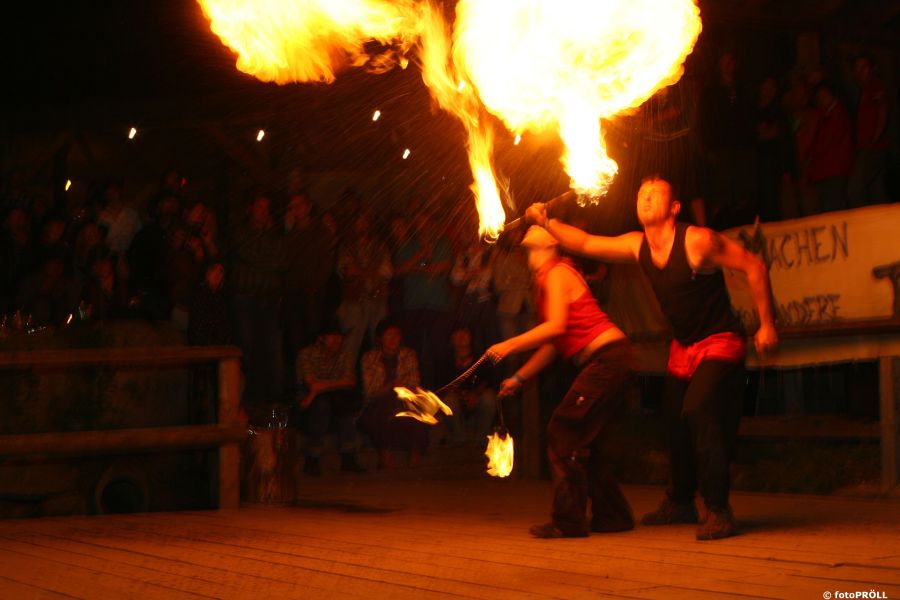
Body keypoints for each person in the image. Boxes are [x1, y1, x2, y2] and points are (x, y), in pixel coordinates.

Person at [525, 175, 778, 540]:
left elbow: (754, 265)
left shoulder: (698, 241)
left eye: (655, 194)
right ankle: (680, 501)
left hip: (720, 340)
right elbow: (585, 243)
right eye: (641, 194)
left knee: (698, 410)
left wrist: (766, 324)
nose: (645, 198)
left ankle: (718, 509)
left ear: (674, 208)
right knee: (673, 419)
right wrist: (546, 221)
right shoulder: (636, 244)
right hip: (684, 347)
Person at [487, 226, 637, 539]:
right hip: (612, 359)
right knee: (585, 439)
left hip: (608, 359)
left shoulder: (557, 273)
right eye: (525, 247)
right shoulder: (548, 279)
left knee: (563, 431)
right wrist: (519, 377)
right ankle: (613, 516)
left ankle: (568, 521)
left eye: (534, 242)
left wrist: (509, 344)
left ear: (552, 243)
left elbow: (555, 328)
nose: (528, 248)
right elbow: (555, 343)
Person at [295, 323, 366, 476]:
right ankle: (312, 457)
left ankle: (348, 456)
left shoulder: (344, 355)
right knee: (322, 405)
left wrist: (319, 388)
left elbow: (350, 382)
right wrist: (316, 390)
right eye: (332, 337)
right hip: (309, 401)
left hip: (333, 398)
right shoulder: (307, 354)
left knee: (345, 403)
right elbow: (311, 384)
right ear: (321, 339)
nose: (336, 340)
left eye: (339, 337)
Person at [358, 320, 428, 469]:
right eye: (388, 335)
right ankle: (385, 454)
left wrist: (401, 388)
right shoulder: (369, 358)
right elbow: (371, 390)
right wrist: (391, 385)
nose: (392, 339)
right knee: (377, 412)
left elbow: (414, 383)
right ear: (380, 338)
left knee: (420, 413)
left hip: (404, 399)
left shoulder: (408, 355)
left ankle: (415, 454)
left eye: (396, 335)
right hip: (379, 401)